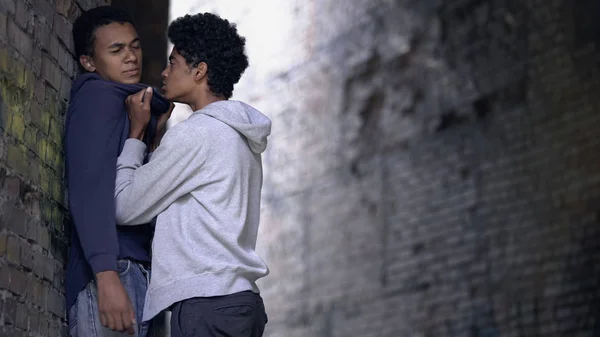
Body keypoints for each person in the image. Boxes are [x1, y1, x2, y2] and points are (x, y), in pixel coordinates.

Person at [113, 12, 270, 337]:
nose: (164, 72)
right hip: (239, 302)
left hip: (207, 305)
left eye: (174, 63)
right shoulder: (239, 134)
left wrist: (135, 135)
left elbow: (125, 206)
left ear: (200, 71)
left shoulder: (195, 134)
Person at [64, 6, 171, 337]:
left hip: (135, 269)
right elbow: (89, 188)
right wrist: (106, 275)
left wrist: (148, 136)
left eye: (135, 46)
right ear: (89, 62)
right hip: (113, 269)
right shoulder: (99, 97)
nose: (131, 57)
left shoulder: (131, 106)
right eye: (116, 49)